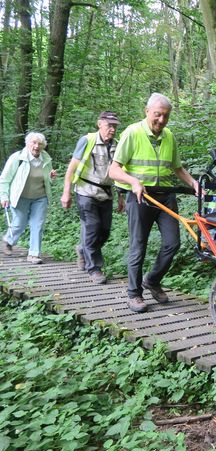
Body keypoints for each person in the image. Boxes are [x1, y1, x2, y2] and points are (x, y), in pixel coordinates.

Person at [108, 93, 199, 313]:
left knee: (173, 243)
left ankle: (152, 280)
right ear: (147, 111)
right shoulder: (132, 132)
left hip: (166, 197)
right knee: (138, 245)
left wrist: (195, 184)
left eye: (165, 116)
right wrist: (133, 182)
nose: (161, 120)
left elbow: (177, 168)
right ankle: (134, 294)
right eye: (157, 114)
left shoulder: (169, 136)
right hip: (141, 197)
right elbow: (114, 170)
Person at [60, 111, 124, 284]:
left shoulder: (117, 145)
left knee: (104, 231)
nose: (112, 130)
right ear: (99, 124)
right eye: (109, 125)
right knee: (92, 228)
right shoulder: (87, 141)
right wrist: (66, 192)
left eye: (115, 126)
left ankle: (82, 249)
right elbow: (71, 169)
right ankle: (94, 268)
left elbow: (118, 173)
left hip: (106, 193)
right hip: (85, 191)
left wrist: (121, 197)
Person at [0, 133, 57, 264]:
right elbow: (4, 179)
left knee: (38, 225)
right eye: (34, 142)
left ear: (44, 146)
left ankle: (34, 254)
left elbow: (47, 179)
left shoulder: (46, 158)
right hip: (20, 197)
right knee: (19, 223)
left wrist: (51, 177)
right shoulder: (17, 158)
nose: (37, 146)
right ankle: (9, 240)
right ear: (27, 143)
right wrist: (3, 196)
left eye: (40, 144)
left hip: (40, 197)